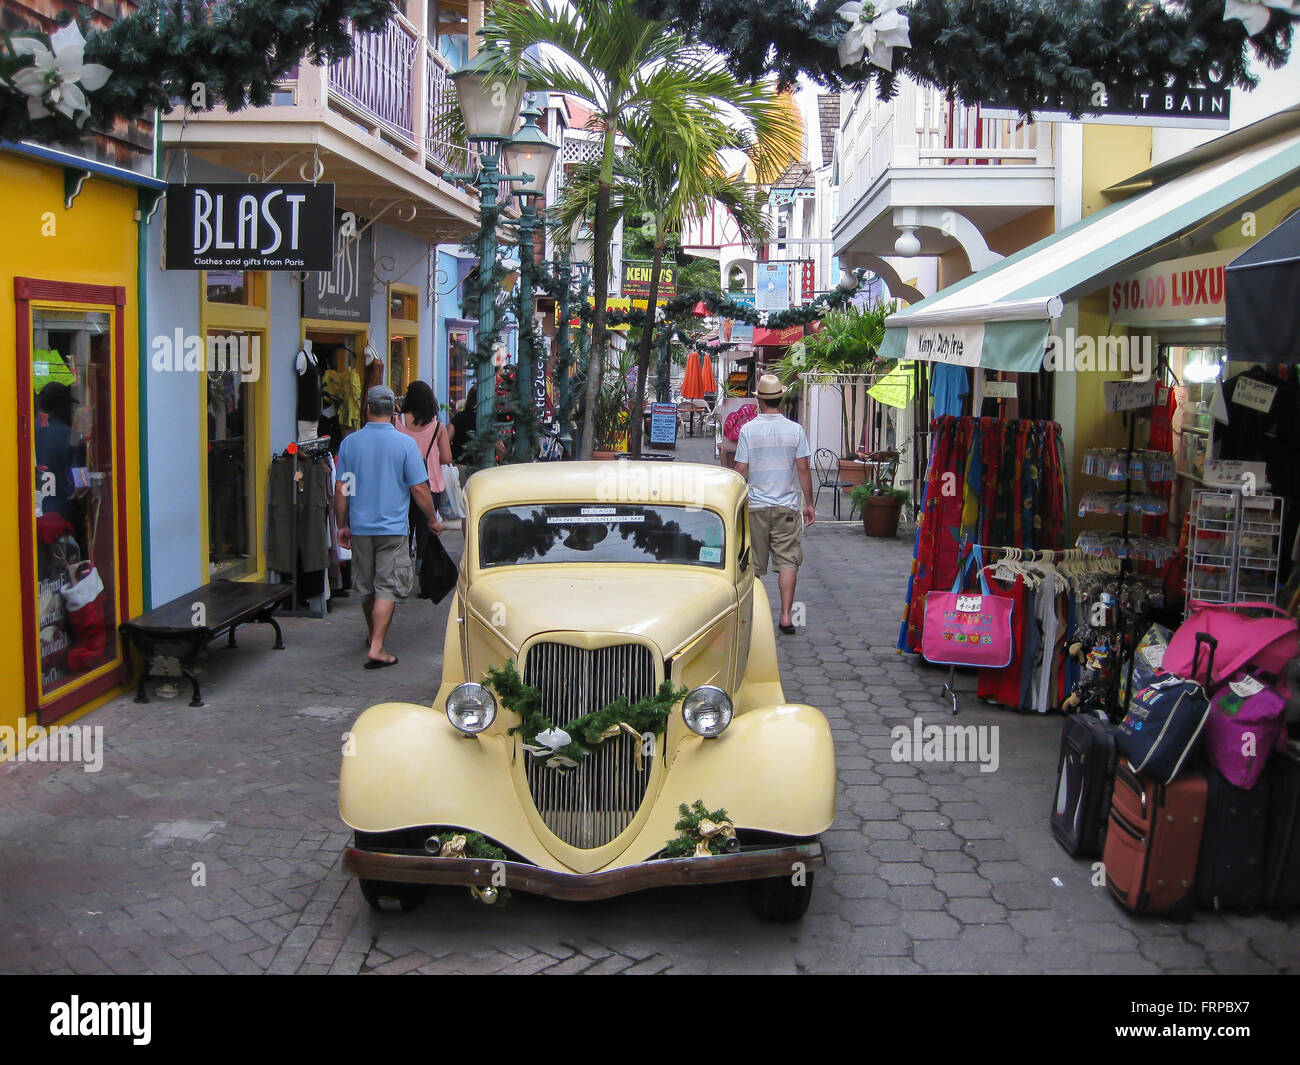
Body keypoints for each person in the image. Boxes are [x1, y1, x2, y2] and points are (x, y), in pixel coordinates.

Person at [334, 385, 442, 669]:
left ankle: (372, 634)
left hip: (360, 528)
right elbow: (419, 488)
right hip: (393, 529)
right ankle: (378, 647)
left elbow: (342, 488)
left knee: (366, 587)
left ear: (367, 408)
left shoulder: (350, 444)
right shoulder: (405, 444)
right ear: (393, 410)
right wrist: (432, 519)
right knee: (386, 586)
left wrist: (341, 525)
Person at [733, 373, 815, 635]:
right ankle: (787, 617)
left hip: (755, 506)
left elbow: (741, 469)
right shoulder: (795, 430)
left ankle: (753, 618)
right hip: (787, 508)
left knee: (753, 565)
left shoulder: (748, 430)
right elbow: (803, 469)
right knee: (788, 561)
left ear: (760, 401)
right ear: (781, 398)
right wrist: (809, 503)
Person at [395, 380, 454, 534]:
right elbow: (447, 458)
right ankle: (422, 556)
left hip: (402, 484)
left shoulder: (396, 422)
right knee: (425, 532)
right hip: (430, 484)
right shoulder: (438, 426)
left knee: (404, 528)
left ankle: (407, 553)